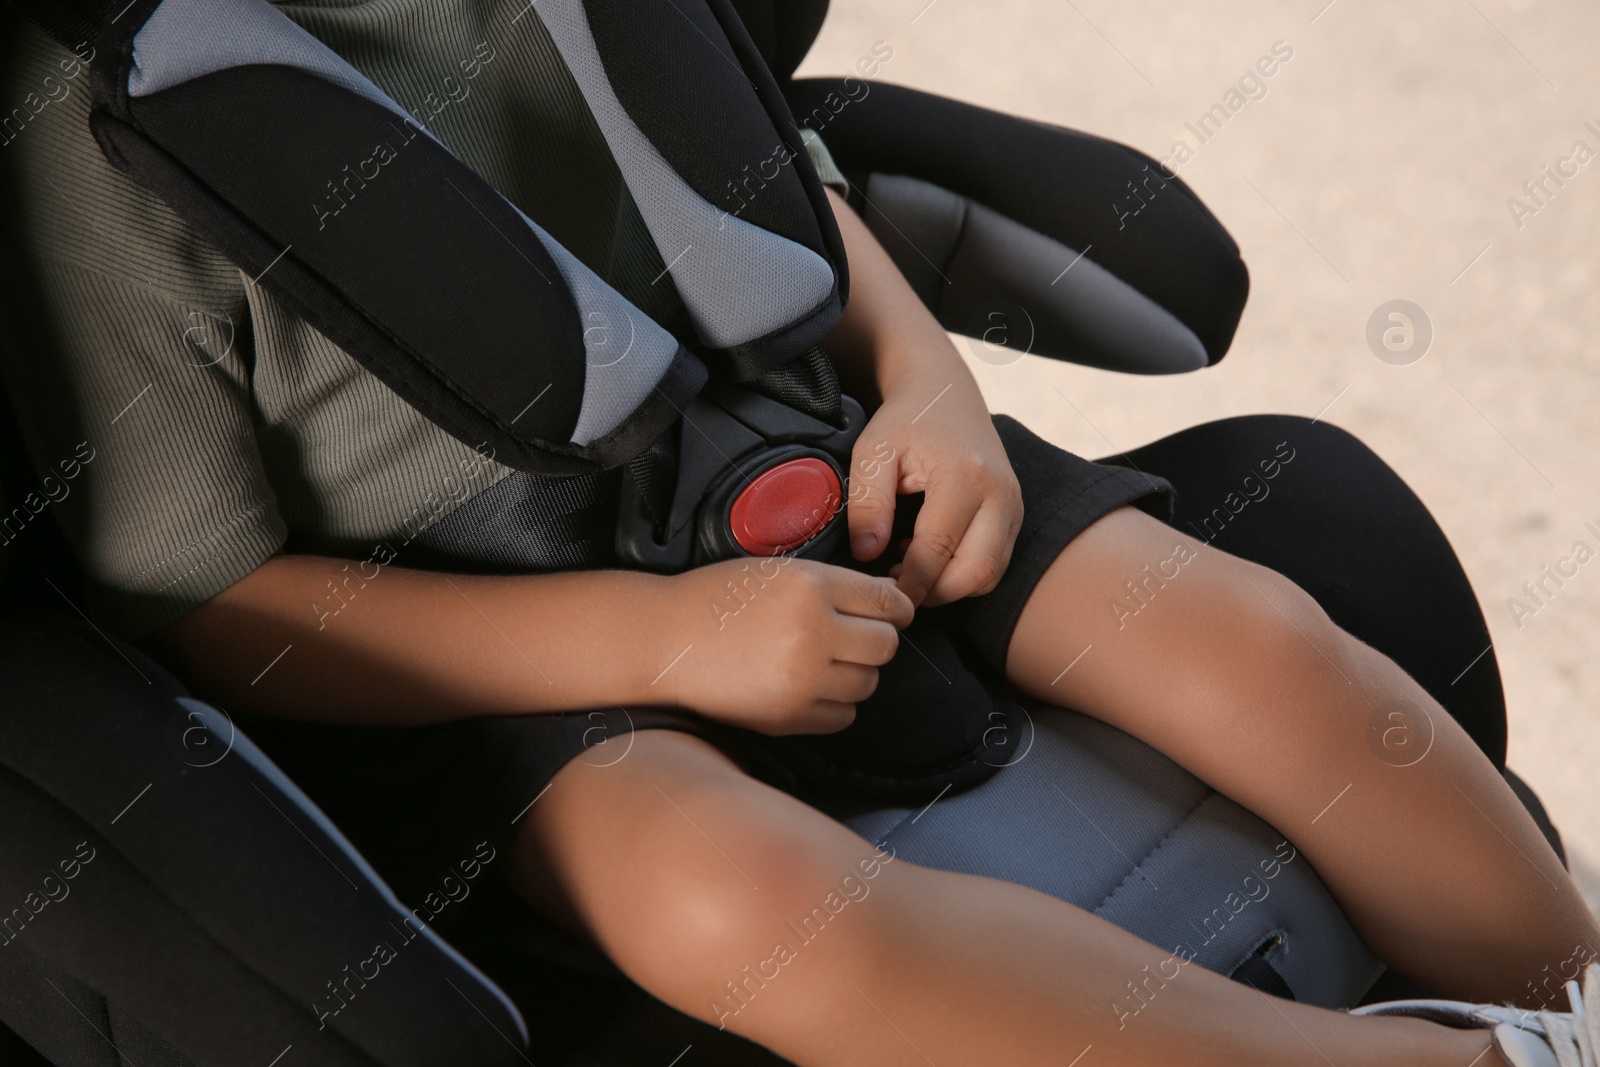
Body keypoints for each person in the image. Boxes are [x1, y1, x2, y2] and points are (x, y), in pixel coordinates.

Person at [4, 3, 1596, 1064]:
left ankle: (1563, 988)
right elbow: (211, 606)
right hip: (494, 631)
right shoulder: (103, 139)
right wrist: (661, 641)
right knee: (736, 906)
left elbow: (776, 179)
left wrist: (928, 382)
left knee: (1246, 638)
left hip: (807, 426)